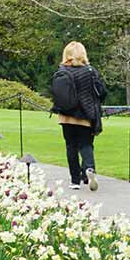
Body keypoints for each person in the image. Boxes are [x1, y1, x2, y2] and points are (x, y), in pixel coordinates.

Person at [50, 42, 107, 191]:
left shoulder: (62, 71)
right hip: (85, 115)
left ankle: (75, 181)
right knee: (86, 145)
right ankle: (89, 169)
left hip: (66, 115)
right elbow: (101, 92)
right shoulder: (90, 71)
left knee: (71, 147)